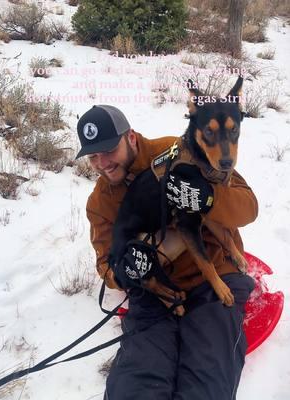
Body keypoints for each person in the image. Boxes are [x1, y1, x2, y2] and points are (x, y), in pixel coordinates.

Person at [76, 105, 258, 400]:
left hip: (211, 282)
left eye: (109, 150)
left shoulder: (180, 151)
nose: (103, 163)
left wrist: (208, 198)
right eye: (93, 156)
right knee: (134, 385)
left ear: (131, 138)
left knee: (207, 381)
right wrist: (125, 273)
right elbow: (105, 263)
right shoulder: (99, 202)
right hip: (155, 297)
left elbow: (249, 207)